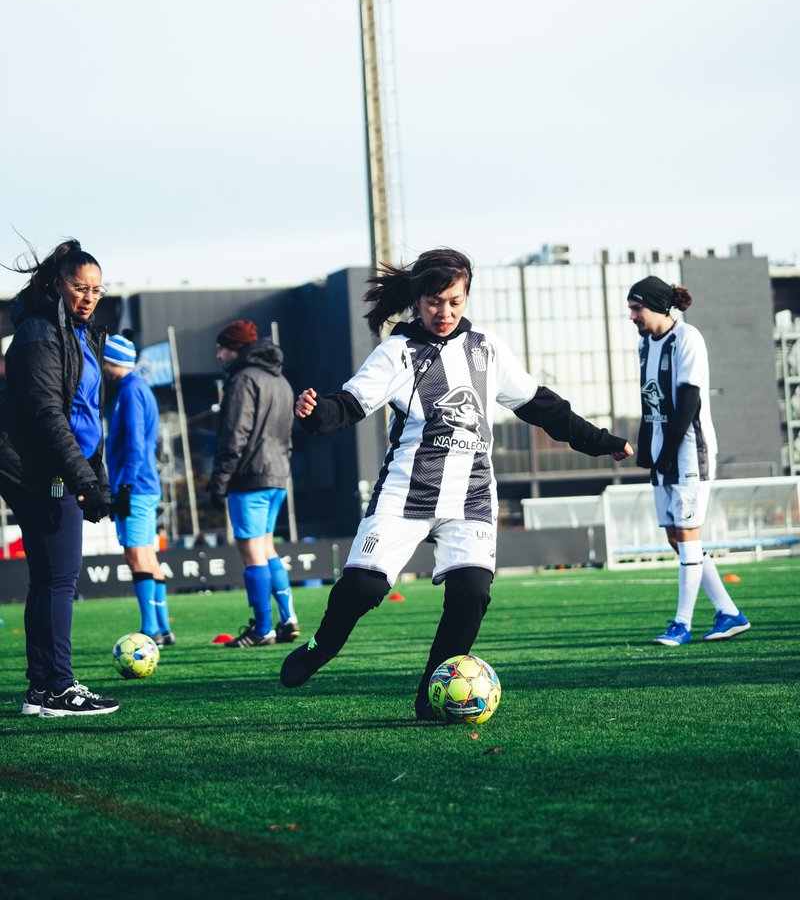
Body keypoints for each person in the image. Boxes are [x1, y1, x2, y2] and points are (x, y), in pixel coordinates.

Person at [281, 248, 633, 719]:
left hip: (472, 496)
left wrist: (601, 441)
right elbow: (347, 404)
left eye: (454, 301)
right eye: (433, 302)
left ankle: (433, 692)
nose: (444, 312)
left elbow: (542, 406)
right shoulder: (397, 352)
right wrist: (314, 412)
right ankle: (321, 647)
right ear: (416, 300)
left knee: (472, 593)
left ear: (466, 297)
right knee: (362, 591)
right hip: (407, 492)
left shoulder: (487, 349)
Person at [0, 238, 119, 717]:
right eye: (79, 286)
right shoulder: (39, 332)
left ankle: (43, 688)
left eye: (97, 289)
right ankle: (56, 689)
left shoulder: (80, 333)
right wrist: (84, 482)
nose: (89, 296)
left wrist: (98, 478)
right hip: (38, 469)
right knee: (59, 579)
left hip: (62, 468)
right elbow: (48, 414)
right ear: (57, 285)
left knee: (50, 579)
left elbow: (89, 416)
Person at [627, 275, 750, 646]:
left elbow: (689, 402)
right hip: (665, 454)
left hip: (690, 452)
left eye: (637, 308)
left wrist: (667, 453)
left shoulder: (688, 339)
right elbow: (650, 401)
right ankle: (729, 613)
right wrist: (647, 448)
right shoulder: (645, 344)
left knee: (688, 536)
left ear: (658, 307)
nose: (632, 316)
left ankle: (682, 623)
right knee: (674, 537)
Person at [207, 320, 298, 647]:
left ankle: (262, 629)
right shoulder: (280, 379)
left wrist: (219, 481)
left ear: (236, 348)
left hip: (249, 477)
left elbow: (234, 436)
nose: (218, 356)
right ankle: (288, 619)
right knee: (267, 547)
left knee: (251, 552)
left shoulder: (242, 379)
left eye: (221, 348)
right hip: (277, 475)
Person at [102, 333, 175, 647]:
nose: (101, 365)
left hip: (136, 485)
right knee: (148, 555)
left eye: (105, 359)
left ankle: (151, 629)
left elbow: (135, 442)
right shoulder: (139, 388)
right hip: (146, 484)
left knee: (135, 555)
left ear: (114, 362)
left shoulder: (129, 392)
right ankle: (162, 627)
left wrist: (126, 485)